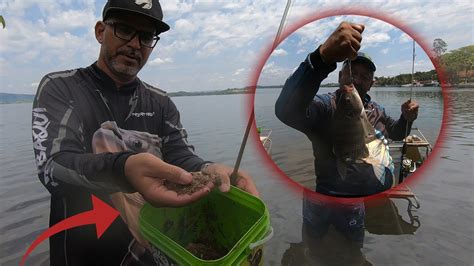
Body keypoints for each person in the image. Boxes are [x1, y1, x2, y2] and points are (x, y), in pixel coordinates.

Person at [31, 0, 258, 265]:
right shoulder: (61, 88)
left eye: (147, 36)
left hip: (153, 253)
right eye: (125, 29)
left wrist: (210, 170)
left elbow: (181, 156)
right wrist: (122, 169)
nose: (136, 44)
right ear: (100, 31)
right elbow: (53, 166)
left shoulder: (161, 102)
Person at [275, 22, 419, 197]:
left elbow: (397, 133)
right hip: (338, 206)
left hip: (379, 198)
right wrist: (321, 58)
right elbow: (287, 111)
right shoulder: (326, 105)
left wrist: (406, 119)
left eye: (365, 77)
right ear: (340, 76)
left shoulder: (377, 109)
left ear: (372, 84)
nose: (357, 80)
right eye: (352, 73)